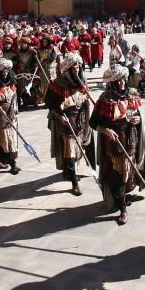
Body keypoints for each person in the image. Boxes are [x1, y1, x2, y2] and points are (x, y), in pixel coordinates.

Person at [90, 66, 145, 225]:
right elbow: (93, 122)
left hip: (131, 139)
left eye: (123, 79)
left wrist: (138, 120)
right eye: (118, 80)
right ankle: (122, 208)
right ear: (112, 83)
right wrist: (105, 130)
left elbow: (136, 113)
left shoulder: (131, 94)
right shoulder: (105, 99)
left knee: (129, 172)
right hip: (114, 143)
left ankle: (125, 195)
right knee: (118, 174)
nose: (122, 82)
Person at [45, 52, 95, 195]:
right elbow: (50, 104)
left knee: (80, 149)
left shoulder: (82, 82)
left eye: (77, 66)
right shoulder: (58, 85)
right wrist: (60, 116)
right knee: (70, 153)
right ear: (67, 69)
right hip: (66, 124)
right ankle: (74, 183)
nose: (76, 69)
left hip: (80, 121)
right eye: (73, 67)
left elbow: (85, 101)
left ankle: (69, 172)